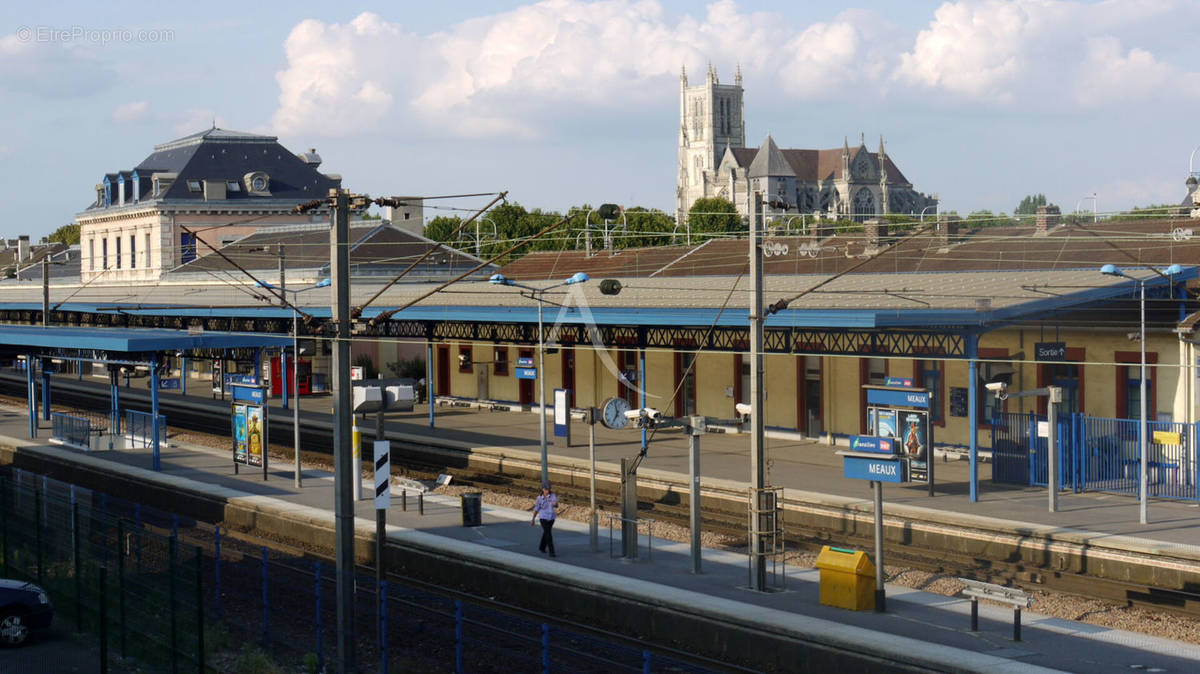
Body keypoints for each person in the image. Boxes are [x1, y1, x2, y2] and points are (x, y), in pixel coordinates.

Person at [531, 482, 558, 557]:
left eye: (548, 489)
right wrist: (533, 519)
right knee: (548, 534)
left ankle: (542, 547)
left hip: (551, 518)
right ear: (542, 489)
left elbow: (556, 505)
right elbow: (537, 509)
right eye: (546, 489)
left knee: (546, 532)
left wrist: (555, 504)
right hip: (543, 517)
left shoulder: (552, 496)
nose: (547, 491)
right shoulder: (539, 498)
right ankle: (552, 552)